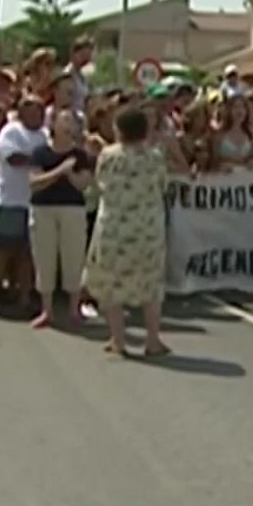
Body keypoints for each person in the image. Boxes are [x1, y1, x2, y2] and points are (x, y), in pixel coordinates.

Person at [83, 106, 170, 357]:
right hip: (148, 227)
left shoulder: (109, 156)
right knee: (150, 284)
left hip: (114, 227)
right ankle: (152, 339)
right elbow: (162, 185)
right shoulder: (155, 156)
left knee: (111, 283)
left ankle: (118, 339)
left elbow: (100, 184)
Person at [29, 109, 93, 328]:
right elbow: (34, 181)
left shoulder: (81, 155)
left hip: (72, 209)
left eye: (73, 122)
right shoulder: (40, 152)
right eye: (64, 120)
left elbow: (83, 184)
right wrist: (59, 171)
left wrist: (70, 173)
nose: (69, 125)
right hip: (43, 208)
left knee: (73, 256)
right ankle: (47, 311)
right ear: (53, 124)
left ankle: (73, 309)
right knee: (44, 257)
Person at [0, 96, 48, 318]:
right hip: (11, 200)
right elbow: (14, 158)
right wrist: (42, 159)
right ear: (22, 112)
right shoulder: (10, 131)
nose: (38, 116)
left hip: (34, 201)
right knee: (4, 251)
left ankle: (24, 298)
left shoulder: (44, 134)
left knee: (26, 253)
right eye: (33, 111)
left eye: (40, 111)